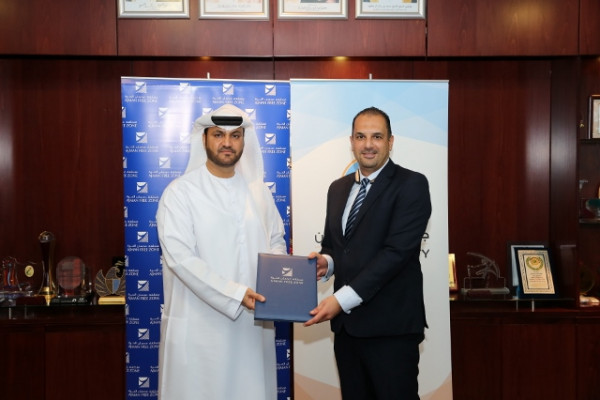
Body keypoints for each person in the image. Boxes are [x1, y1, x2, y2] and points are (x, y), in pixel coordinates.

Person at [155, 104, 287, 400]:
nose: (227, 143)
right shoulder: (180, 193)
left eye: (235, 135)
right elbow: (181, 259)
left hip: (252, 328)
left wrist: (281, 285)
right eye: (218, 135)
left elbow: (276, 241)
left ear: (244, 140)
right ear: (204, 139)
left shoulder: (259, 193)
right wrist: (236, 294)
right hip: (200, 331)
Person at [305, 106, 432, 400]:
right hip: (347, 332)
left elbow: (395, 254)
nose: (368, 144)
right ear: (351, 141)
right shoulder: (338, 189)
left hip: (391, 331)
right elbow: (335, 246)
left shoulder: (412, 184)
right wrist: (327, 262)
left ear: (390, 141)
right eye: (361, 137)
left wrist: (340, 300)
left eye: (377, 136)